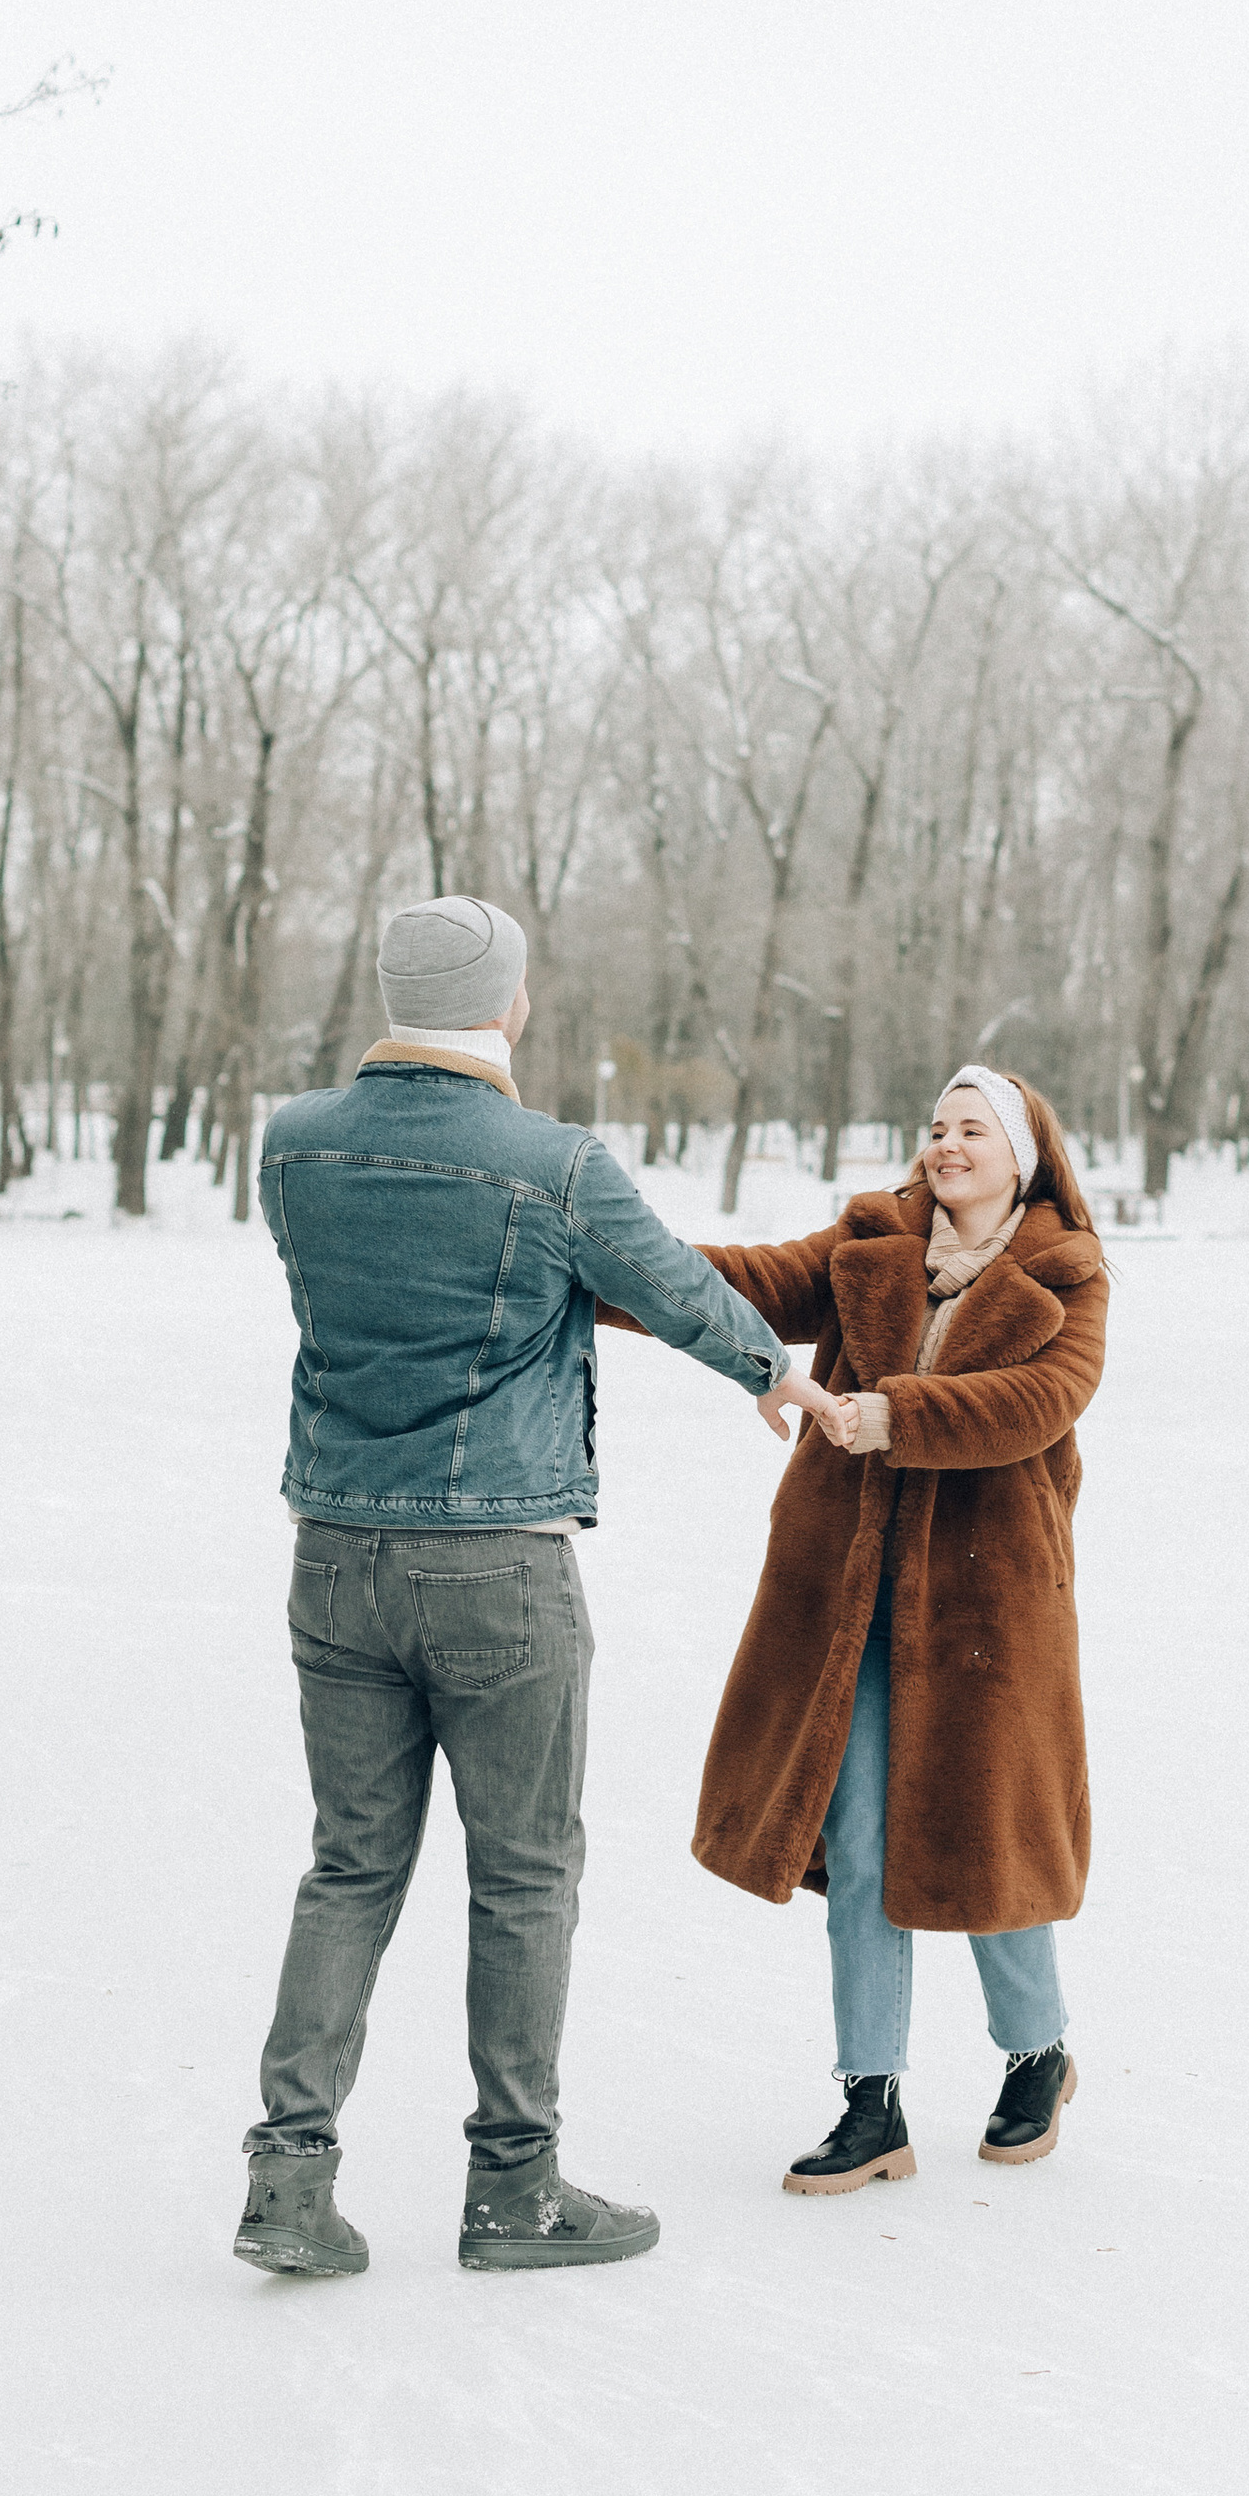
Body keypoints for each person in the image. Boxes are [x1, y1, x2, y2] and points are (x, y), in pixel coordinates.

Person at [233, 892, 851, 2284]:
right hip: (498, 1564)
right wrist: (780, 1369)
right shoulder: (552, 1162)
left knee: (350, 1863)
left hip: (332, 1552)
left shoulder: (293, 1146)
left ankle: (288, 2174)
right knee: (521, 1874)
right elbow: (674, 1285)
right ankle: (513, 2187)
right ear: (508, 1005)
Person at [617, 1064, 1108, 2193]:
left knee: (984, 1829)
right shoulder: (870, 1240)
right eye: (935, 1126)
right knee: (863, 1836)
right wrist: (599, 1268)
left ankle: (1036, 2052)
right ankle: (869, 2102)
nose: (944, 1145)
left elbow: (1038, 1402)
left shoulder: (1065, 1275)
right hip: (846, 1593)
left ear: (1022, 1155)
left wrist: (889, 1414)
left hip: (989, 1605)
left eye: (970, 1129)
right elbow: (741, 1280)